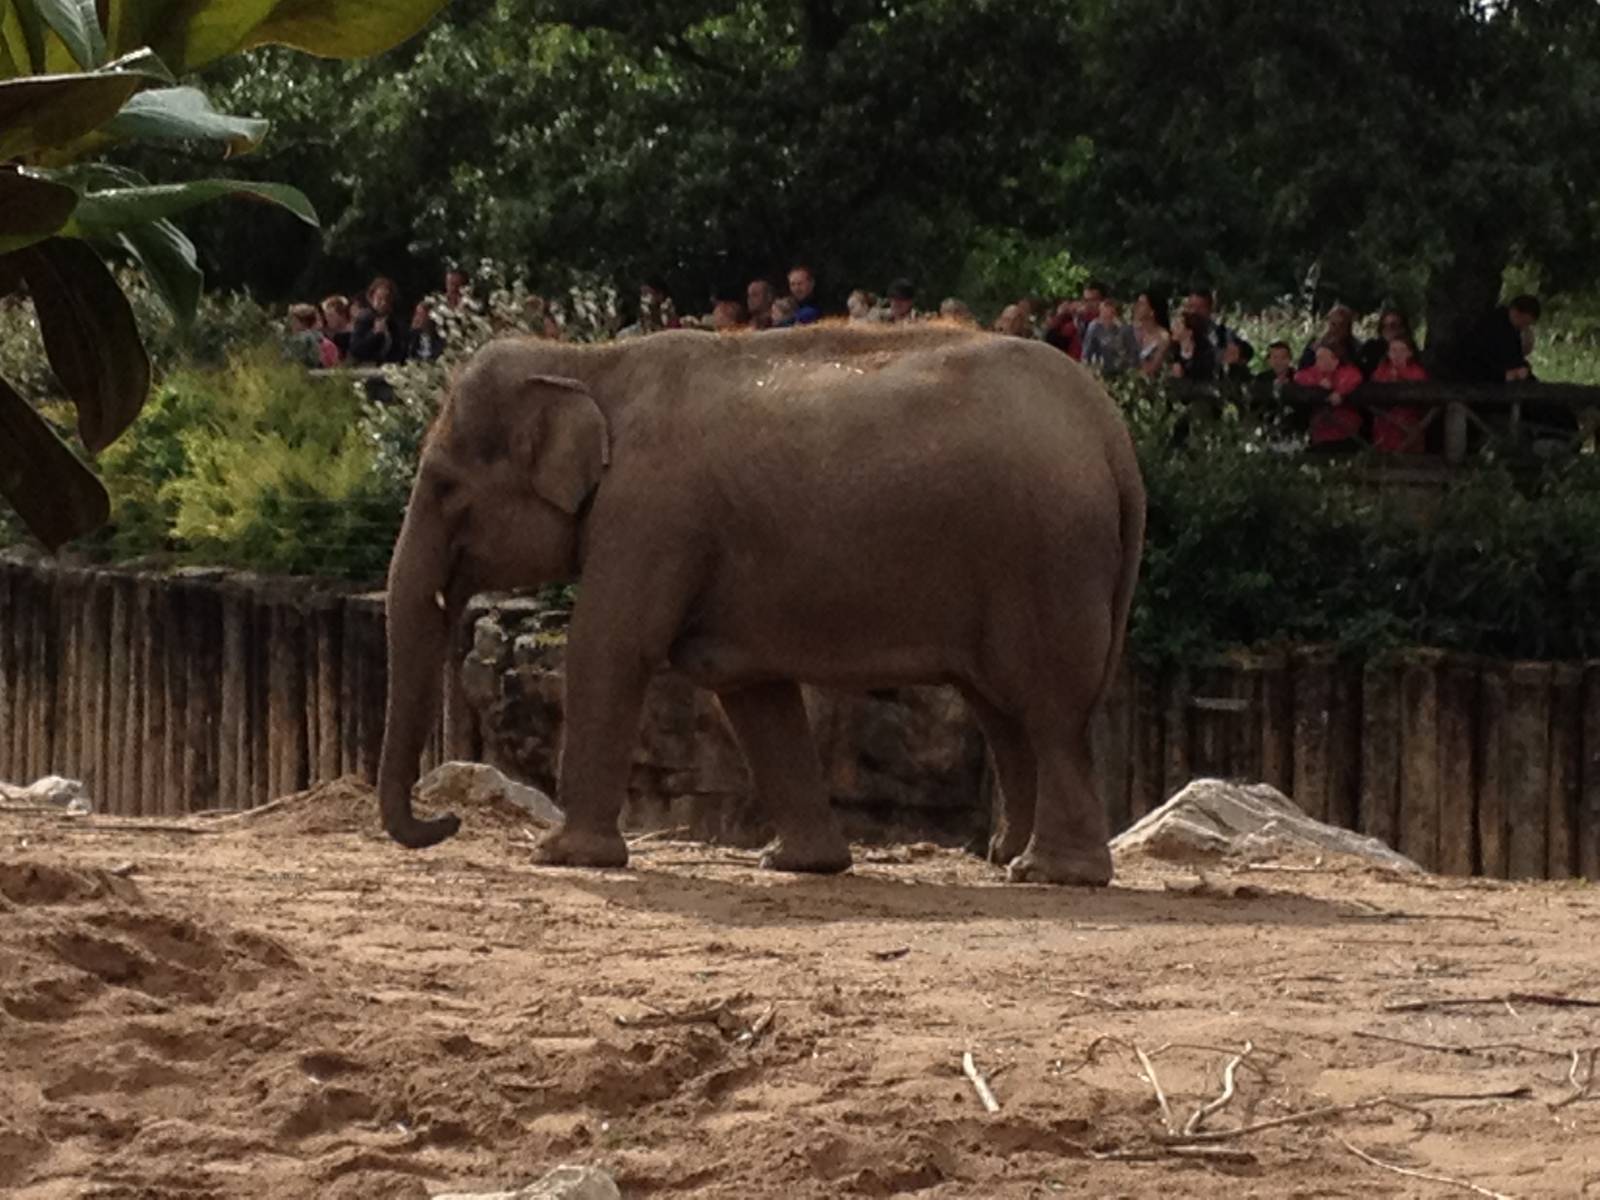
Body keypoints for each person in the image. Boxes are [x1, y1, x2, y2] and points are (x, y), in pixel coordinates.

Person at [1452, 294, 1541, 382]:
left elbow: (1515, 358)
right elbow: (1479, 359)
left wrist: (1523, 370)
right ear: (1516, 312)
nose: (1524, 327)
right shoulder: (1492, 326)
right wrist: (1503, 375)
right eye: (1524, 322)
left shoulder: (1513, 331)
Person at [1293, 339, 1365, 449]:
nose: (1317, 361)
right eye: (1317, 358)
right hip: (1320, 433)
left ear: (1335, 359)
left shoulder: (1347, 371)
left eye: (1321, 358)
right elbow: (1299, 376)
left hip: (1346, 433)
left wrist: (1339, 392)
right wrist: (1319, 382)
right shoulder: (1316, 372)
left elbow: (1355, 377)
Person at [1368, 336, 1428, 453]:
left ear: (1409, 353)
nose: (1397, 354)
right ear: (1388, 353)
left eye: (1402, 350)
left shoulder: (1418, 372)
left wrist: (1401, 378)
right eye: (1393, 350)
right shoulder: (1381, 371)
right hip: (1385, 423)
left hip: (1408, 422)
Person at [1185, 285, 1253, 366]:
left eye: (1200, 308)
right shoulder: (1176, 334)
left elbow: (1244, 355)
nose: (1194, 312)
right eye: (1191, 306)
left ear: (1210, 309)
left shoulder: (1223, 335)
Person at [348, 276, 407, 365]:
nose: (383, 303)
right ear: (371, 298)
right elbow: (356, 349)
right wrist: (374, 334)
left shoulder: (394, 322)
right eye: (379, 299)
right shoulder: (365, 319)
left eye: (387, 299)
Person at [1082, 299, 1140, 376]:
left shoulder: (1125, 329)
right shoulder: (1094, 327)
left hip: (1122, 372)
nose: (1107, 318)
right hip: (1101, 371)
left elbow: (1133, 353)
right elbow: (1087, 352)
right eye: (1104, 314)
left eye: (1111, 314)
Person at [1298, 304, 1360, 370]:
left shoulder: (1356, 348)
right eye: (1333, 324)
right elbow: (1303, 368)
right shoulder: (1315, 345)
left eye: (1341, 325)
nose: (1336, 329)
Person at [1359, 308, 1414, 376]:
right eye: (1384, 326)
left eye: (1392, 325)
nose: (1388, 329)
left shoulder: (1412, 350)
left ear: (1403, 328)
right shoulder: (1371, 349)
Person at [1131, 290, 1170, 379]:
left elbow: (1153, 369)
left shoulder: (1163, 337)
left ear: (1152, 311)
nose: (1136, 307)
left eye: (1141, 304)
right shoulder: (1134, 330)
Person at [1168, 311, 1217, 381]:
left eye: (1177, 325)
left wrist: (1183, 374)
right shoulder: (1171, 354)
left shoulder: (1205, 356)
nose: (1173, 328)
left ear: (1189, 332)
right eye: (1173, 325)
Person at [283, 303, 326, 369]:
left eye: (294, 320)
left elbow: (293, 359)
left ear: (303, 322)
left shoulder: (302, 338)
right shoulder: (315, 337)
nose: (291, 323)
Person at [319, 295, 353, 364]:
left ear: (342, 314)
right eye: (326, 316)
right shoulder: (324, 334)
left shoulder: (354, 334)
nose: (327, 319)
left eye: (331, 315)